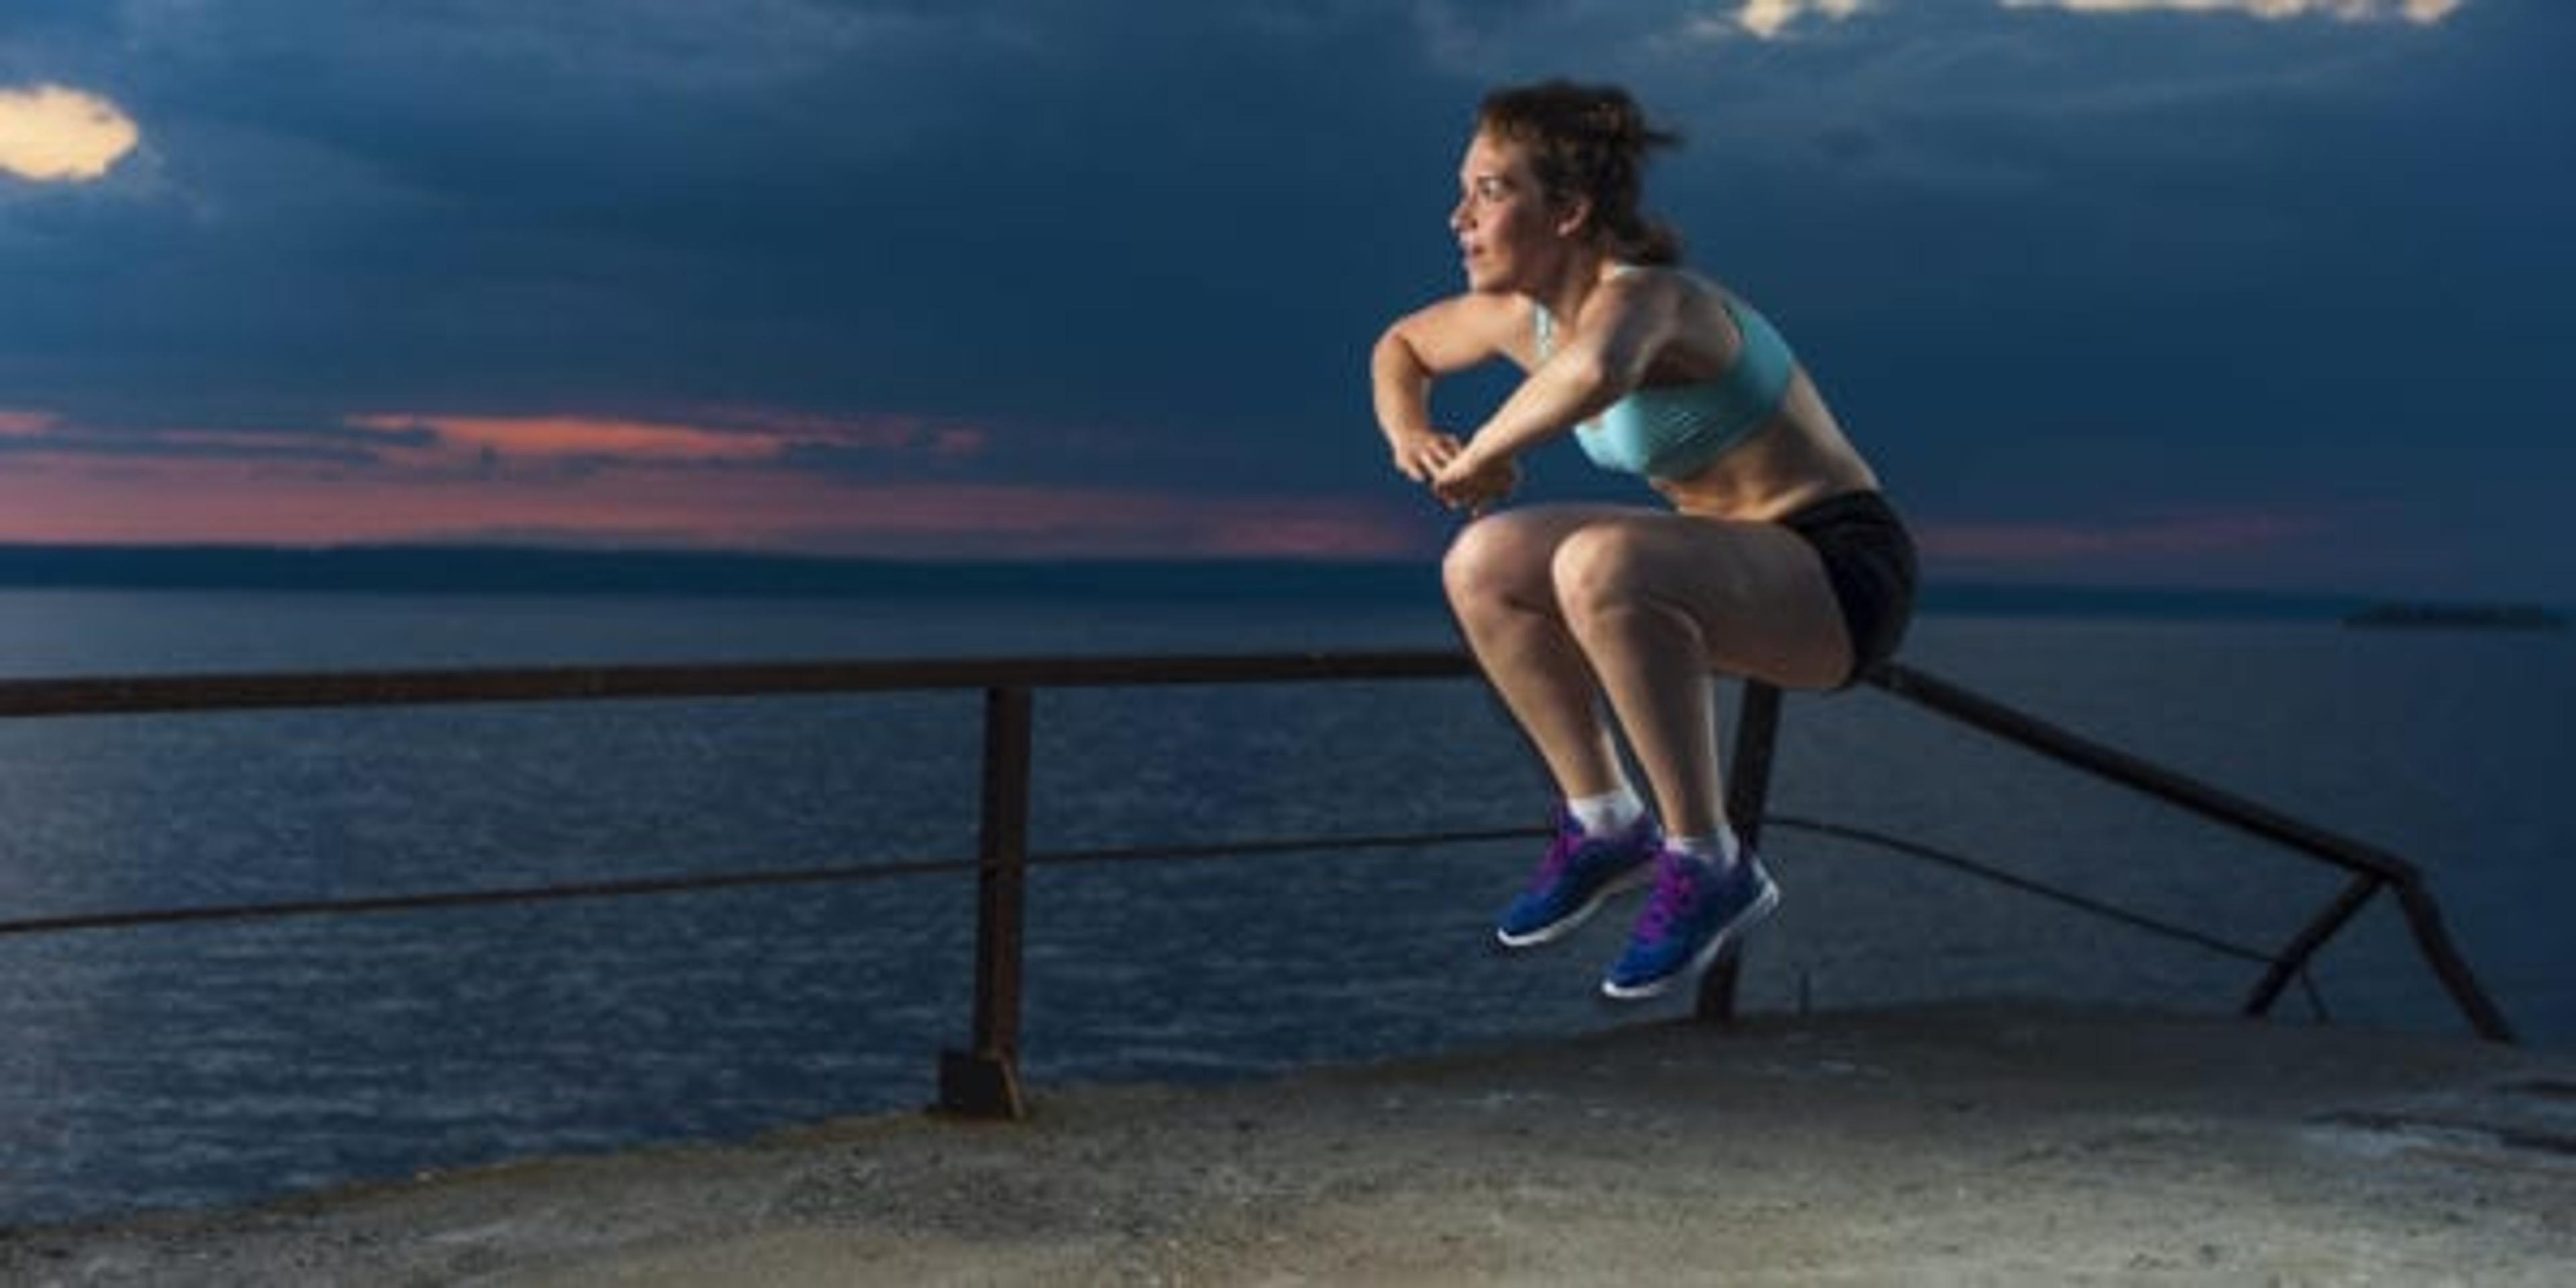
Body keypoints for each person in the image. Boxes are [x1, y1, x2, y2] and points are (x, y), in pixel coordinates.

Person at [1368, 80, 1916, 1001]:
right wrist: (1411, 436)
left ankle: (1709, 861)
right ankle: (1606, 821)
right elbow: (1401, 347)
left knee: (1599, 561)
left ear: (1571, 210)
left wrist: (1488, 454)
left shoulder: (1656, 301)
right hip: (1722, 565)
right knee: (1484, 562)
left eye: (1491, 190)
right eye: (1463, 188)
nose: (1459, 214)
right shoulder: (1520, 318)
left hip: (1838, 573)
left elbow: (1596, 371)